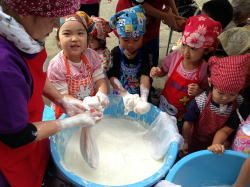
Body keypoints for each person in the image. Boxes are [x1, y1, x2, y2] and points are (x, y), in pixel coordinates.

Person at [0, 0, 103, 186]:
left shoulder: (22, 34)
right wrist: (71, 122)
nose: (56, 24)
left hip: (31, 138)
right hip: (9, 156)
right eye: (52, 17)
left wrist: (62, 99)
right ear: (25, 13)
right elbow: (17, 136)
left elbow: (34, 75)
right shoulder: (4, 68)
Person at [150, 15, 222, 125]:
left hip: (182, 115)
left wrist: (199, 91)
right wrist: (158, 72)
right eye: (184, 45)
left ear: (207, 50)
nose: (186, 52)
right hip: (164, 104)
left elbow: (206, 92)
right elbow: (163, 70)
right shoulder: (175, 56)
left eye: (193, 48)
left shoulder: (204, 69)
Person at [181, 54, 250, 156]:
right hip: (196, 141)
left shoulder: (239, 101)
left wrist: (227, 141)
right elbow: (188, 123)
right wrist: (185, 141)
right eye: (220, 93)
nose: (225, 98)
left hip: (220, 144)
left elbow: (231, 126)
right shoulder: (200, 102)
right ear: (210, 82)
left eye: (232, 94)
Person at [47, 11, 109, 119]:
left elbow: (99, 80)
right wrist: (84, 106)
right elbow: (63, 96)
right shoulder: (56, 65)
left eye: (80, 33)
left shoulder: (92, 56)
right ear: (58, 40)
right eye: (67, 33)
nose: (74, 38)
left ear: (87, 38)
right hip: (67, 110)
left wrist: (101, 95)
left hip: (90, 106)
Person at [108, 5, 152, 113]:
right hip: (120, 95)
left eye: (136, 39)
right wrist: (124, 94)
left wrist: (143, 99)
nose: (131, 44)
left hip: (140, 94)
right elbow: (112, 76)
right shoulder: (116, 52)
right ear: (119, 36)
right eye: (126, 40)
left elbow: (145, 76)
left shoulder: (146, 52)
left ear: (143, 36)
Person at [116, 0, 186, 66]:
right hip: (130, 22)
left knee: (151, 62)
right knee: (130, 62)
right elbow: (139, 4)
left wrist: (177, 17)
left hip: (153, 22)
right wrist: (167, 17)